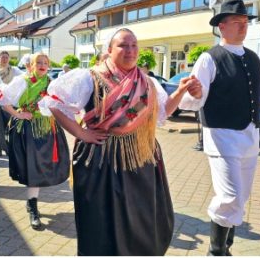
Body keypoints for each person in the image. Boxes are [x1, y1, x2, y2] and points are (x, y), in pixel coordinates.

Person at [40, 28, 196, 255]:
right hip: (101, 158)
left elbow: (162, 113)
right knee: (101, 219)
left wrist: (180, 92)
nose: (130, 50)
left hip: (140, 156)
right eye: (123, 45)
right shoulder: (89, 77)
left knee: (140, 215)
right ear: (110, 50)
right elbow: (54, 104)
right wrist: (81, 134)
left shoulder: (148, 82)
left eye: (134, 45)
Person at [177, 0, 260, 254]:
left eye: (245, 22)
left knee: (241, 198)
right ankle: (216, 252)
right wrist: (192, 92)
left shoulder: (255, 59)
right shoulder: (209, 59)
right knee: (230, 198)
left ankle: (226, 247)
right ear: (222, 27)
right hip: (221, 136)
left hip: (250, 137)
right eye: (237, 23)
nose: (243, 27)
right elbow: (192, 101)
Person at [0, 52, 70, 231]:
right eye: (39, 62)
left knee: (46, 167)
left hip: (48, 129)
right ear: (30, 65)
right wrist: (18, 113)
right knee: (34, 169)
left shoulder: (52, 83)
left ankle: (32, 203)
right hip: (29, 131)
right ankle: (32, 206)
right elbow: (3, 99)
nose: (43, 65)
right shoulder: (22, 81)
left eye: (46, 62)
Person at [0, 50, 14, 157]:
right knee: (0, 128)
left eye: (6, 57)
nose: (4, 59)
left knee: (10, 127)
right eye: (2, 57)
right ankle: (0, 150)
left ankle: (9, 148)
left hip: (9, 102)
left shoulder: (13, 70)